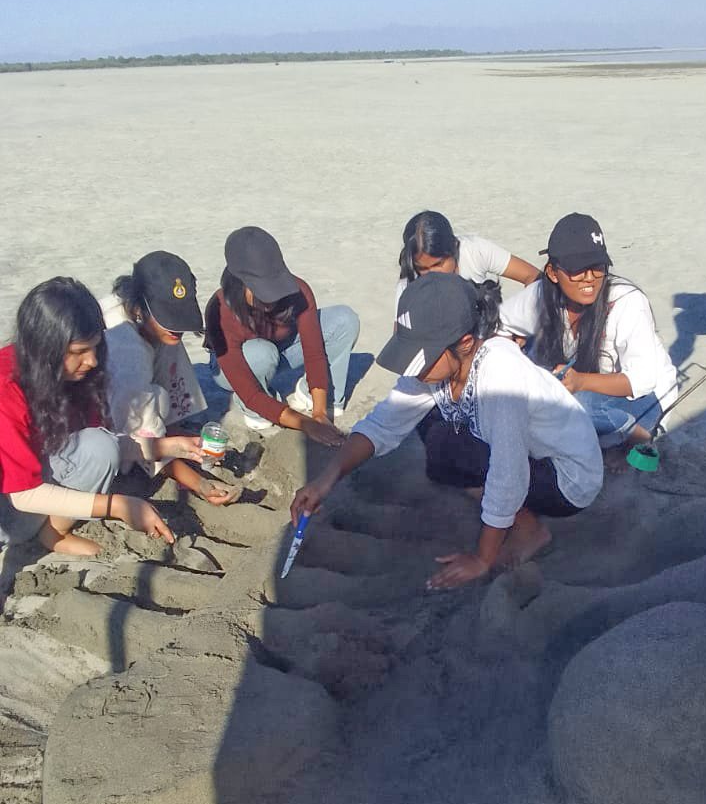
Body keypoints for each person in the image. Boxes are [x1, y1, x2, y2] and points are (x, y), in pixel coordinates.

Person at [291, 273, 603, 590]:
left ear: (465, 342)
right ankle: (507, 513)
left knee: (452, 446)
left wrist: (481, 559)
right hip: (527, 454)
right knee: (430, 428)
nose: (414, 370)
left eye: (421, 357)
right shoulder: (443, 363)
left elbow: (508, 475)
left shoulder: (500, 375)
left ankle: (529, 531)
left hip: (568, 478)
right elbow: (383, 423)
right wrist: (324, 481)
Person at [0, 277, 174, 557]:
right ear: (46, 348)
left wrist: (171, 447)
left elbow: (98, 445)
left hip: (35, 477)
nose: (92, 360)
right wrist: (117, 506)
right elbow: (23, 494)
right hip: (9, 511)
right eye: (79, 351)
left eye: (95, 347)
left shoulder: (72, 374)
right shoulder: (6, 388)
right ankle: (46, 533)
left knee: (99, 446)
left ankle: (53, 530)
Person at [498, 213, 677, 464]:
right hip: (580, 384)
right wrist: (512, 342)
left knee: (573, 406)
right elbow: (500, 324)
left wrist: (580, 381)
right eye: (577, 269)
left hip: (644, 402)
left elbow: (643, 380)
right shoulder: (541, 295)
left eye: (597, 267)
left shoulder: (627, 302)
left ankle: (638, 436)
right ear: (553, 273)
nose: (589, 277)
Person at [103, 250, 238, 505]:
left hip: (131, 386)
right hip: (104, 429)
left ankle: (171, 426)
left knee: (169, 338)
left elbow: (168, 332)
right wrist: (200, 484)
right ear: (139, 307)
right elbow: (144, 444)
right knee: (159, 395)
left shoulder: (138, 316)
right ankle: (167, 429)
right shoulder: (127, 351)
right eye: (167, 317)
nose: (177, 329)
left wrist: (177, 436)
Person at [205, 226, 360, 444]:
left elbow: (314, 353)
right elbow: (251, 394)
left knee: (345, 320)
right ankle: (256, 411)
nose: (272, 298)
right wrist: (305, 424)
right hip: (234, 367)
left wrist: (319, 414)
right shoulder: (219, 310)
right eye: (263, 290)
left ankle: (309, 394)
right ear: (240, 283)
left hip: (280, 348)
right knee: (261, 353)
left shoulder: (298, 290)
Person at [395, 210, 539, 315]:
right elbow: (401, 333)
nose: (432, 274)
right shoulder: (409, 278)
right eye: (423, 268)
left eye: (438, 264)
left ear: (454, 247)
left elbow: (534, 276)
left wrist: (519, 324)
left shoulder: (474, 251)